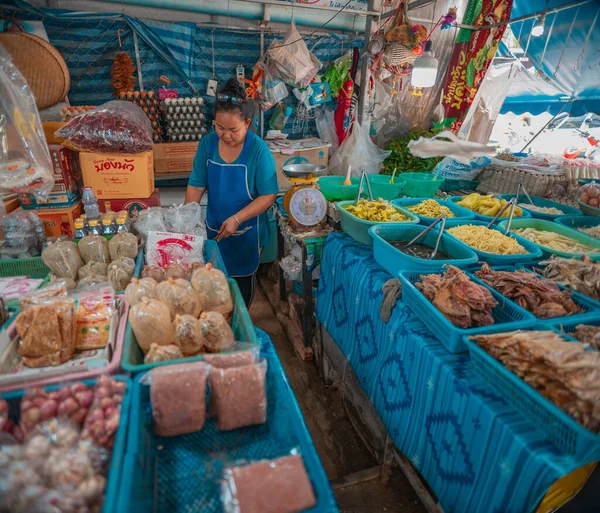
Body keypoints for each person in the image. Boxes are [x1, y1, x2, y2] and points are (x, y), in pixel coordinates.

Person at [185, 78, 278, 307]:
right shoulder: (207, 144)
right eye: (219, 128)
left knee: (239, 293)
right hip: (214, 230)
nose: (226, 135)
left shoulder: (258, 150)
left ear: (247, 123)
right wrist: (186, 223)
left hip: (246, 233)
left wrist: (237, 218)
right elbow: (197, 185)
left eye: (233, 130)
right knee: (212, 289)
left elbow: (269, 194)